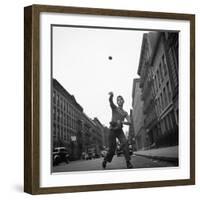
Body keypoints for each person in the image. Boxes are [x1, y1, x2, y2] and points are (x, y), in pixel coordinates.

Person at [102, 92, 133, 169]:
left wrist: (122, 122)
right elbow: (110, 102)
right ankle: (105, 160)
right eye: (118, 100)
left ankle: (128, 162)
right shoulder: (114, 108)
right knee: (112, 149)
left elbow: (130, 122)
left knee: (125, 143)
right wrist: (111, 96)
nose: (119, 101)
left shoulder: (125, 113)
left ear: (123, 101)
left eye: (121, 99)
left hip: (119, 131)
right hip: (112, 130)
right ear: (117, 102)